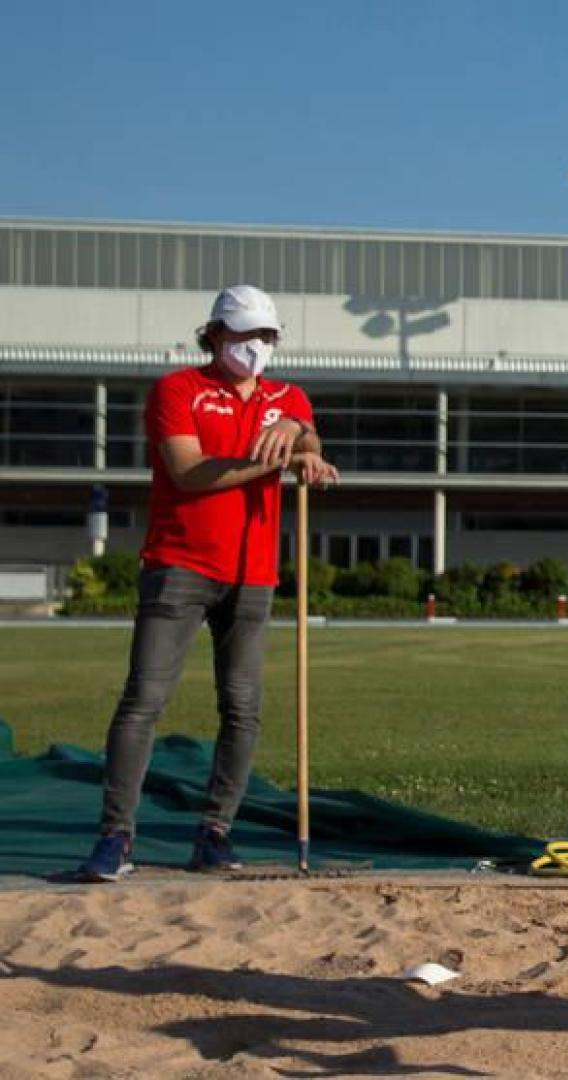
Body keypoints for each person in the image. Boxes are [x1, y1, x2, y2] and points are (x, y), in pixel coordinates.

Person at [77, 285, 339, 882]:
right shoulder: (179, 390)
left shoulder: (288, 396)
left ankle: (214, 832)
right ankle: (116, 837)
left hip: (253, 572)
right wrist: (278, 460)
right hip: (179, 565)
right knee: (144, 700)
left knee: (243, 708)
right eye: (245, 336)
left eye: (266, 337)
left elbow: (309, 439)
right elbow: (189, 472)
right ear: (215, 334)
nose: (256, 348)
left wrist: (305, 442)